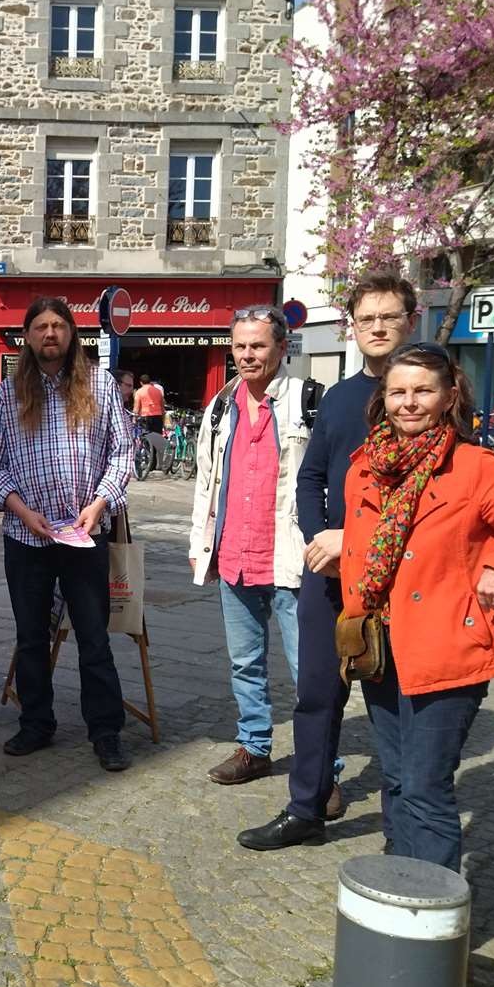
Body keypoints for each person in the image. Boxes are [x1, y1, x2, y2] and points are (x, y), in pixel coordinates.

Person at [337, 342, 494, 869]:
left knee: (424, 786)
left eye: (423, 390)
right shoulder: (365, 468)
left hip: (448, 649)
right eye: (398, 391)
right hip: (380, 645)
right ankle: (397, 889)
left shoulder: (474, 469)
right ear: (383, 397)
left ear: (448, 396)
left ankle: (435, 918)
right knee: (394, 781)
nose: (409, 403)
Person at [239, 272, 417, 850]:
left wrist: (355, 541)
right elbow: (311, 477)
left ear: (410, 322)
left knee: (393, 702)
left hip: (398, 577)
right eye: (367, 319)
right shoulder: (339, 396)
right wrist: (323, 540)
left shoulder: (429, 395)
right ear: (353, 327)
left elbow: (429, 495)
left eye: (389, 317)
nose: (378, 328)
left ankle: (404, 826)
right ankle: (305, 809)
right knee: (317, 695)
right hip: (330, 571)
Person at [0, 296, 134, 770]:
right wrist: (23, 512)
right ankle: (36, 724)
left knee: (94, 638)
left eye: (58, 326)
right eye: (40, 326)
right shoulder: (8, 395)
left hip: (84, 536)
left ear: (72, 333)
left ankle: (106, 732)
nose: (50, 334)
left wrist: (100, 503)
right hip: (27, 537)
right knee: (31, 636)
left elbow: (123, 454)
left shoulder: (101, 387)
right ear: (27, 336)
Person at [189, 306, 310, 786]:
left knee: (310, 673)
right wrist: (202, 542)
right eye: (239, 346)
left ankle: (321, 767)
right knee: (245, 662)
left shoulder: (308, 400)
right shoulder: (220, 407)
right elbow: (205, 481)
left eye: (258, 345)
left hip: (291, 558)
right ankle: (255, 747)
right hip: (235, 555)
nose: (247, 355)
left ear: (281, 348)